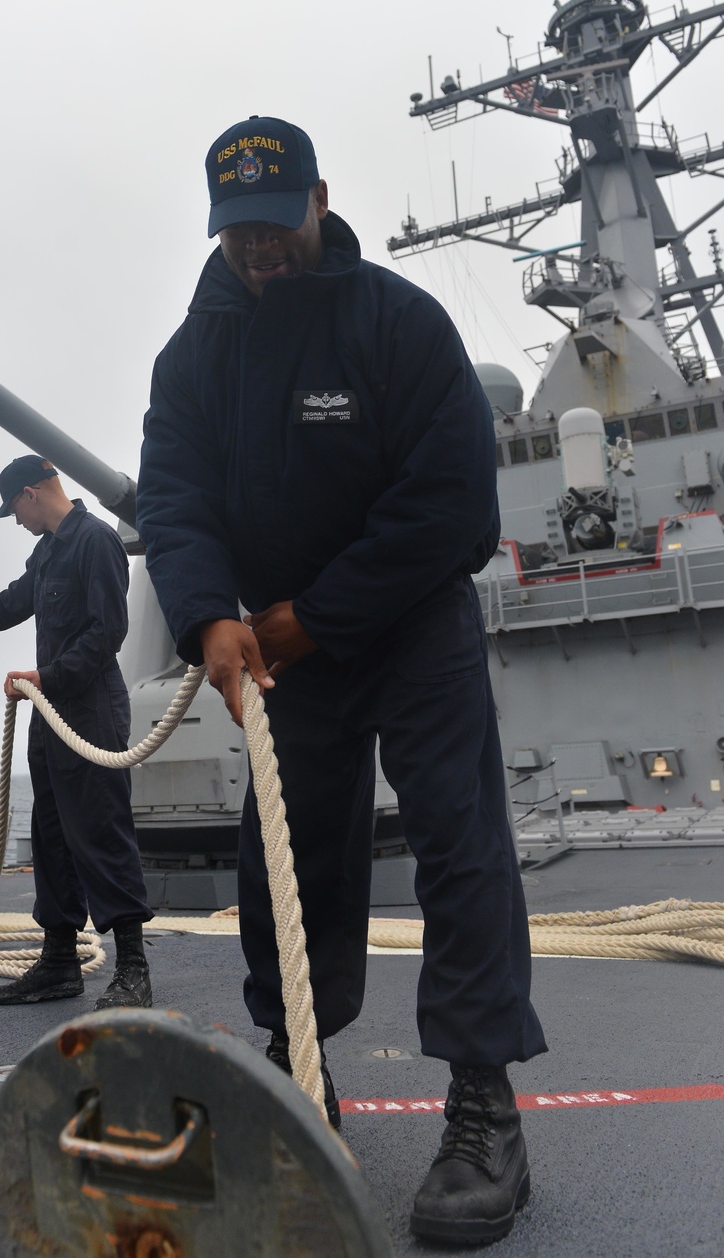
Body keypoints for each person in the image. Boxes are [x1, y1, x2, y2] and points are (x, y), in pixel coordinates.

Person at [135, 116, 546, 1247]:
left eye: (274, 226)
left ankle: (481, 1103)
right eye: (236, 235)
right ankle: (297, 1071)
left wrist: (309, 617)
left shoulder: (399, 324)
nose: (257, 252)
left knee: (460, 846)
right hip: (275, 640)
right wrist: (208, 613)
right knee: (286, 856)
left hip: (408, 629)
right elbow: (172, 494)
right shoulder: (194, 355)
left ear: (318, 200)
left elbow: (453, 505)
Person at [0, 456, 153, 1010]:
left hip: (91, 708)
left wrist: (45, 676)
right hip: (50, 713)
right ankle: (59, 961)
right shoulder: (47, 551)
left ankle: (134, 968)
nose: (17, 522)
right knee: (50, 834)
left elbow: (107, 634)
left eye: (14, 511)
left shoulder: (95, 541)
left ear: (30, 494)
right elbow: (11, 603)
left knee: (100, 829)